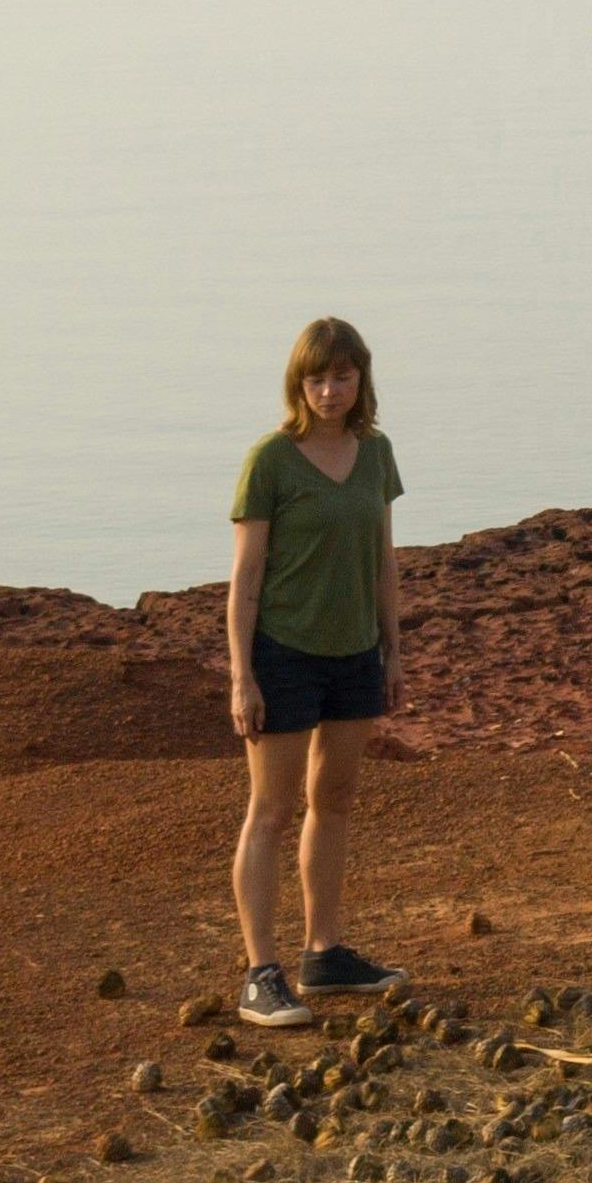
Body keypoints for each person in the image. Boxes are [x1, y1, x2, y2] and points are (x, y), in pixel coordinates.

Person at [225, 314, 411, 1029]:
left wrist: (392, 650)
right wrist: (243, 676)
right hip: (283, 653)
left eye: (342, 376)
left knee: (333, 800)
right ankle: (260, 975)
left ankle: (324, 953)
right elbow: (244, 581)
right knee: (270, 812)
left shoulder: (376, 452)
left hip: (355, 651)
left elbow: (382, 559)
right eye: (317, 377)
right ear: (297, 382)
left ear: (361, 379)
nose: (330, 390)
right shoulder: (271, 460)